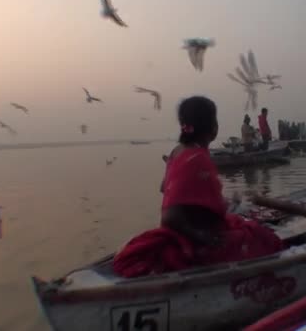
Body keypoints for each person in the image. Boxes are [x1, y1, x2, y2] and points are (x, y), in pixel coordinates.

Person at [113, 96, 284, 278]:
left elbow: (166, 188)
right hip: (195, 243)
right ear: (211, 128)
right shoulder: (197, 158)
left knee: (240, 222)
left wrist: (213, 202)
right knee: (261, 237)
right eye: (215, 120)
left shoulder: (177, 151)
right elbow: (170, 217)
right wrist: (203, 237)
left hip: (186, 233)